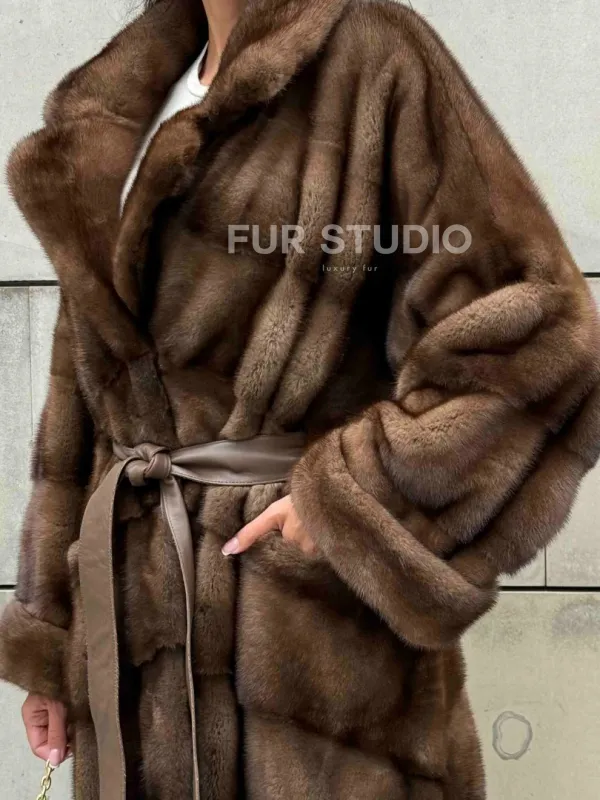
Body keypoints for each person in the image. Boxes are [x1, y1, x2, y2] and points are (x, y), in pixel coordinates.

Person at [1, 0, 599, 797]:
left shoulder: (372, 56)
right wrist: (51, 638)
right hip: (137, 653)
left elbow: (540, 330)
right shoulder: (125, 92)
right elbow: (80, 391)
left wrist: (358, 496)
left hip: (311, 663)